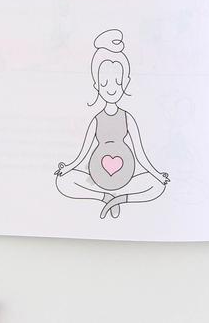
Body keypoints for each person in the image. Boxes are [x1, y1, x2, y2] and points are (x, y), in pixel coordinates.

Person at [55, 29, 169, 219]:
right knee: (63, 182)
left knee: (157, 185)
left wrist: (157, 174)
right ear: (96, 85)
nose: (111, 88)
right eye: (105, 83)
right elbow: (83, 154)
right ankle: (105, 197)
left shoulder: (127, 118)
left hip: (126, 180)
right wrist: (67, 167)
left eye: (117, 82)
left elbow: (140, 154)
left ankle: (118, 199)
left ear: (126, 82)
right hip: (96, 181)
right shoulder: (96, 120)